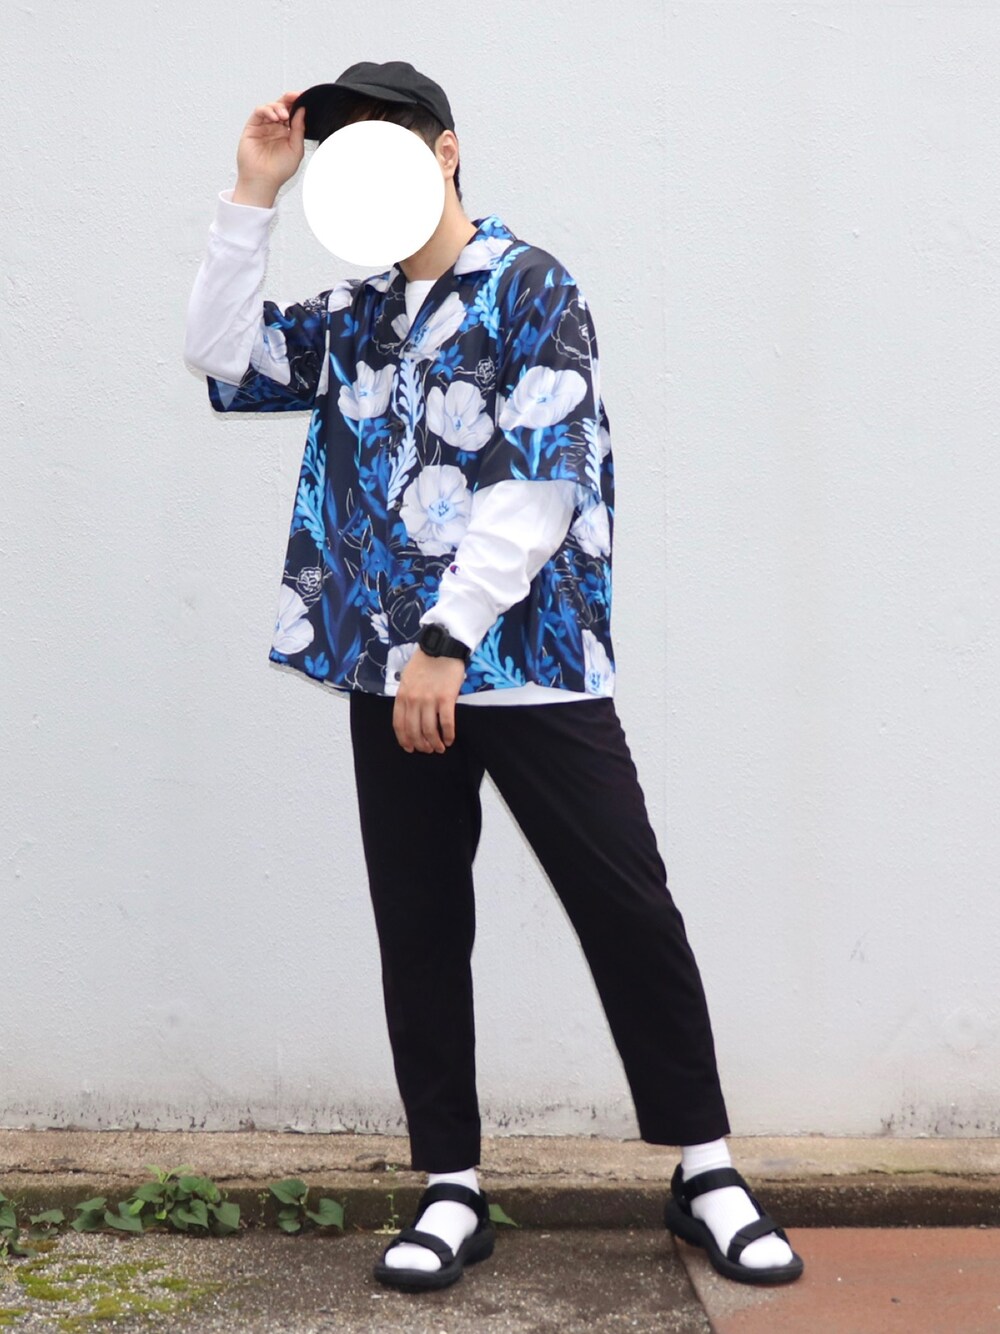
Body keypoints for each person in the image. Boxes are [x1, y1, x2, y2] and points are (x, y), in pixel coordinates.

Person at [183, 60, 804, 1293]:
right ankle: (451, 1184)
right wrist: (253, 193)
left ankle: (706, 1170)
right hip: (388, 670)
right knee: (420, 922)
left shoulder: (532, 284)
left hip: (523, 664)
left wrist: (448, 637)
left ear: (445, 152)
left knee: (627, 906)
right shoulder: (359, 309)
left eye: (385, 144)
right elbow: (220, 353)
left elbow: (537, 482)